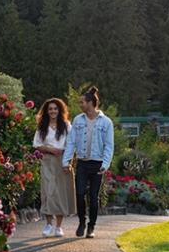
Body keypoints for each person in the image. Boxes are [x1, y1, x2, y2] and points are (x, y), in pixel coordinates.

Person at [62, 86, 114, 238]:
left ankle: (91, 227)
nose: (80, 105)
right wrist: (66, 161)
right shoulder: (78, 120)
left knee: (93, 196)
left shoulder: (106, 122)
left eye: (82, 102)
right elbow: (71, 142)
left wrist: (105, 164)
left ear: (91, 103)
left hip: (97, 164)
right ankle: (82, 222)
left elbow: (109, 146)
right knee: (79, 194)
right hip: (82, 163)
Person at [33, 98, 76, 237]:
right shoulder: (42, 126)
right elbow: (36, 144)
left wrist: (68, 162)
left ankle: (58, 227)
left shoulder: (67, 125)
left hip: (63, 161)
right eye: (50, 109)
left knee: (60, 193)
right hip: (47, 161)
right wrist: (50, 150)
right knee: (48, 191)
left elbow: (71, 145)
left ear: (60, 110)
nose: (53, 111)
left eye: (55, 108)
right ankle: (48, 225)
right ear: (47, 111)